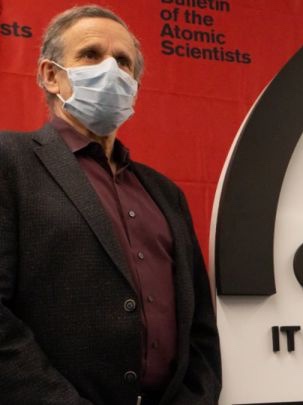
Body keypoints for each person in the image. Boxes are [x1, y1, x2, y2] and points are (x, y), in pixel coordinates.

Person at [0, 5, 221, 405]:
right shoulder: (10, 162)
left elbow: (199, 326)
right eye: (90, 55)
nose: (110, 70)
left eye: (123, 62)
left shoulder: (165, 193)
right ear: (51, 75)